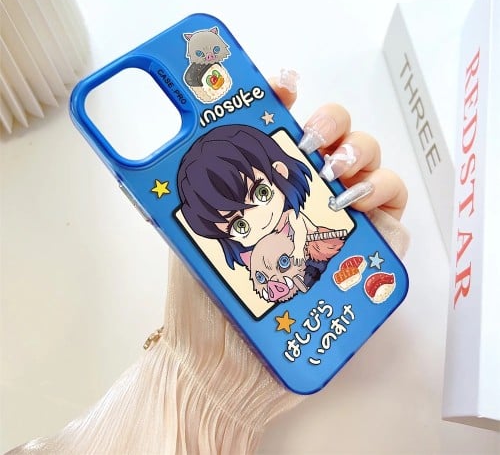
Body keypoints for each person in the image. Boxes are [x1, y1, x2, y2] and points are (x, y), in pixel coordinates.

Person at [7, 73, 408, 455]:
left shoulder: (309, 227)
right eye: (237, 224)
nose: (256, 219)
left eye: (261, 193)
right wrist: (208, 383)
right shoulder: (253, 265)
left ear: (280, 171)